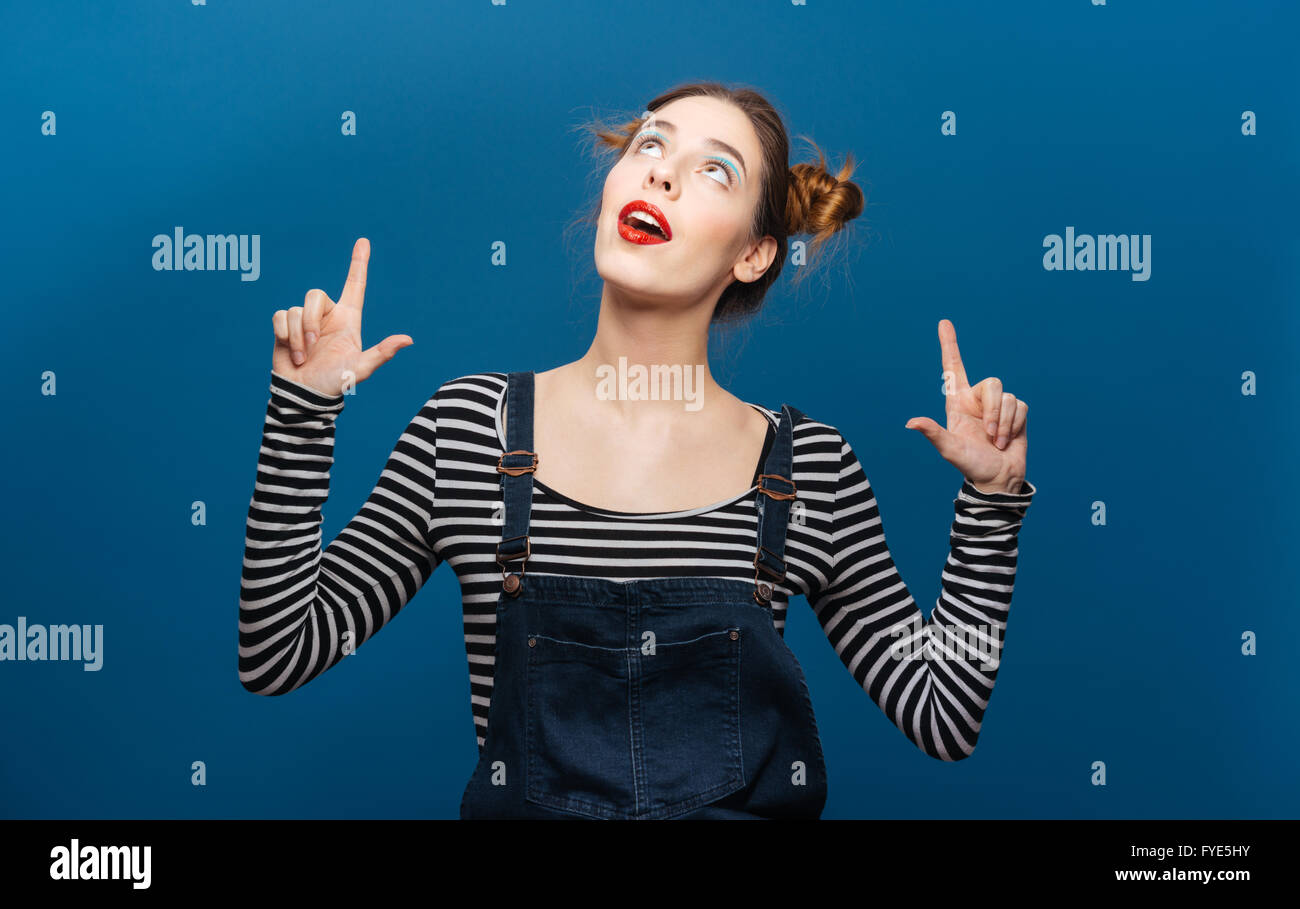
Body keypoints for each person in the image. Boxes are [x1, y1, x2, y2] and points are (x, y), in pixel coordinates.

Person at [240, 81, 1035, 819]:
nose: (660, 176)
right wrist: (305, 413)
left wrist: (993, 506)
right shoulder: (469, 428)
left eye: (713, 171)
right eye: (650, 146)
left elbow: (944, 712)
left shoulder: (810, 468)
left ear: (755, 253)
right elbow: (278, 652)